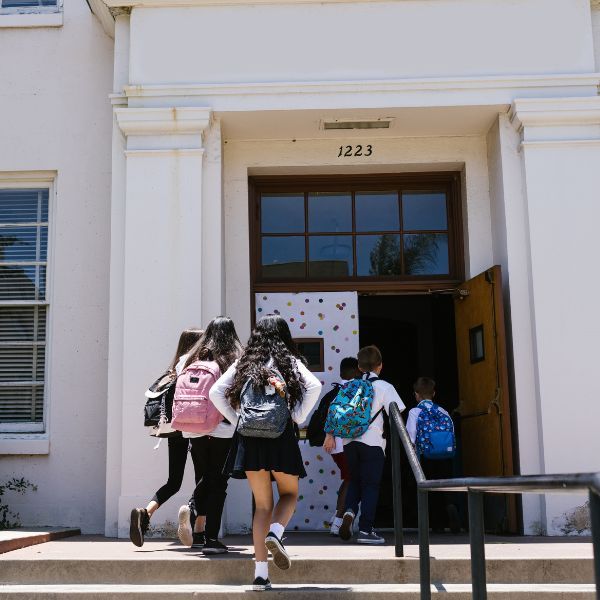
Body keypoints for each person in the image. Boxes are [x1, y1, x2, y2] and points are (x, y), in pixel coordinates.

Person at [209, 314, 322, 591]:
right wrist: (296, 416)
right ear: (284, 335)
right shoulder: (290, 362)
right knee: (290, 494)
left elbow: (215, 392)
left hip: (250, 439)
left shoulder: (245, 362)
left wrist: (238, 418)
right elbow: (315, 386)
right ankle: (276, 533)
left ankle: (260, 575)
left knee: (262, 506)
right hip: (281, 436)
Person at [129, 327, 203, 547]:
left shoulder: (173, 370)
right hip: (197, 427)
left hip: (174, 429)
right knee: (204, 478)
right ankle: (198, 529)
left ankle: (146, 512)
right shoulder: (197, 369)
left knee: (174, 481)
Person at [324, 345, 405, 545]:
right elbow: (398, 414)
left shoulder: (350, 386)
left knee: (355, 480)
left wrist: (330, 435)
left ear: (359, 367)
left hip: (350, 442)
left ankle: (350, 512)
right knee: (371, 486)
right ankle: (366, 530)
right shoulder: (385, 387)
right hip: (373, 443)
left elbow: (335, 410)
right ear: (380, 366)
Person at [175, 317, 243, 554]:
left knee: (205, 476)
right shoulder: (233, 359)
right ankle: (210, 537)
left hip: (193, 427)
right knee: (219, 482)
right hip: (222, 428)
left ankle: (198, 525)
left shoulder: (188, 358)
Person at [406, 376, 460, 534]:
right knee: (442, 488)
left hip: (425, 456)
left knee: (426, 489)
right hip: (444, 456)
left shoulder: (415, 412)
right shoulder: (443, 411)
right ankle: (448, 511)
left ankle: (431, 523)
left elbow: (410, 436)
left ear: (416, 394)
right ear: (434, 393)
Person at [323, 357, 360, 536]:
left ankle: (335, 518)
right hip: (347, 444)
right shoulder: (354, 389)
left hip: (337, 447)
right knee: (351, 481)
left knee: (348, 479)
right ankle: (338, 521)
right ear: (357, 372)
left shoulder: (337, 390)